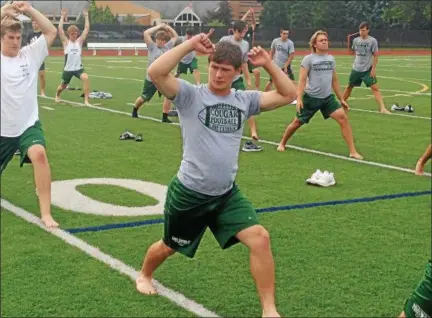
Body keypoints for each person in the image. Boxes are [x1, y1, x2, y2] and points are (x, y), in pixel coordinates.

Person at [134, 33, 297, 318]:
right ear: (208, 65)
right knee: (169, 246)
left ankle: (269, 310)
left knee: (260, 238)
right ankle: (145, 274)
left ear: (236, 73)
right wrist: (189, 46)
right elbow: (155, 72)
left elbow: (289, 94)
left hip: (225, 195)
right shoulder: (190, 95)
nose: (218, 74)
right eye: (214, 67)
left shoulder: (243, 100)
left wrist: (269, 65)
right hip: (190, 193)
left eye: (226, 70)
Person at [1, 1, 59, 228]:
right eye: (10, 38)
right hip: (2, 129)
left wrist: (29, 9)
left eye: (18, 38)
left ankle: (46, 213)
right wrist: (5, 11)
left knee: (39, 154)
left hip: (27, 125)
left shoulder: (30, 55)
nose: (16, 42)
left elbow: (51, 31)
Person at [277, 30, 363, 160]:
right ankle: (282, 142)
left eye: (326, 40)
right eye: (321, 40)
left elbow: (334, 80)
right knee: (297, 123)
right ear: (315, 44)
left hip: (327, 98)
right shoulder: (308, 59)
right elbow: (302, 80)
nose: (324, 42)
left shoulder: (330, 59)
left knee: (343, 119)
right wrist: (299, 98)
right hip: (311, 98)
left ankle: (352, 151)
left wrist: (341, 99)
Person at [220, 20, 262, 152]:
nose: (242, 34)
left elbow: (244, 63)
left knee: (246, 103)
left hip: (237, 79)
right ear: (234, 30)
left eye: (244, 31)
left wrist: (248, 80)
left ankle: (253, 132)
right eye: (240, 32)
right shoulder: (225, 41)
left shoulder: (245, 44)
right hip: (223, 79)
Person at [131, 23, 178, 123]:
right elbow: (146, 33)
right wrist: (159, 27)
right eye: (157, 39)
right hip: (151, 78)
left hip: (164, 77)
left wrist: (168, 28)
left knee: (169, 96)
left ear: (165, 41)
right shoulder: (152, 47)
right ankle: (135, 110)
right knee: (144, 98)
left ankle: (164, 117)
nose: (158, 41)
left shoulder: (167, 47)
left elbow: (175, 36)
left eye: (161, 40)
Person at [342, 22, 391, 114]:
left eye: (363, 30)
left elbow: (376, 55)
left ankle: (383, 108)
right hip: (356, 68)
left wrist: (373, 69)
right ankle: (342, 104)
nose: (361, 32)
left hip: (367, 69)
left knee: (375, 88)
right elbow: (354, 52)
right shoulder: (356, 40)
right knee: (349, 87)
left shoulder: (372, 41)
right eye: (360, 30)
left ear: (368, 30)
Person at [165, 28, 214, 117]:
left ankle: (198, 84)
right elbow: (174, 43)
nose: (189, 37)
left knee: (195, 70)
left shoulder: (194, 39)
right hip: (183, 60)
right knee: (177, 74)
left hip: (191, 59)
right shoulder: (181, 39)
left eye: (190, 36)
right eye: (188, 35)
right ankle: (170, 80)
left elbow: (204, 38)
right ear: (186, 34)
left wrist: (209, 33)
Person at [55, 8, 91, 106]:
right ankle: (57, 95)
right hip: (68, 69)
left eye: (75, 33)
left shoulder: (79, 42)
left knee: (85, 77)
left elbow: (87, 29)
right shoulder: (66, 42)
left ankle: (86, 101)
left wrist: (86, 16)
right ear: (69, 34)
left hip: (78, 69)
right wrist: (62, 16)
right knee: (62, 86)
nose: (73, 35)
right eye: (71, 34)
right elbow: (60, 29)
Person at [264, 28, 297, 105]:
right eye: (284, 33)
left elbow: (291, 55)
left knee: (292, 81)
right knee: (271, 81)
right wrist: (270, 61)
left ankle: (295, 98)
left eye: (287, 34)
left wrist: (286, 65)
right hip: (276, 65)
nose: (286, 35)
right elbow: (272, 51)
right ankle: (264, 95)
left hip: (285, 65)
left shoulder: (290, 43)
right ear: (280, 34)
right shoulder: (275, 41)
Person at [241, 7, 261, 90]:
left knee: (257, 72)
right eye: (244, 26)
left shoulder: (249, 31)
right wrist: (248, 12)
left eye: (246, 26)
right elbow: (241, 21)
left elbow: (254, 23)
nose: (246, 27)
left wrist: (252, 14)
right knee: (236, 74)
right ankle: (240, 89)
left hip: (249, 55)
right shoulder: (240, 32)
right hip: (240, 56)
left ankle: (256, 90)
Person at [27, 19, 47, 97]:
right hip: (31, 58)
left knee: (42, 75)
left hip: (39, 58)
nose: (34, 25)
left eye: (35, 23)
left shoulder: (42, 34)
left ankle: (42, 91)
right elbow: (28, 45)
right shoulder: (30, 34)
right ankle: (30, 90)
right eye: (33, 23)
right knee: (30, 76)